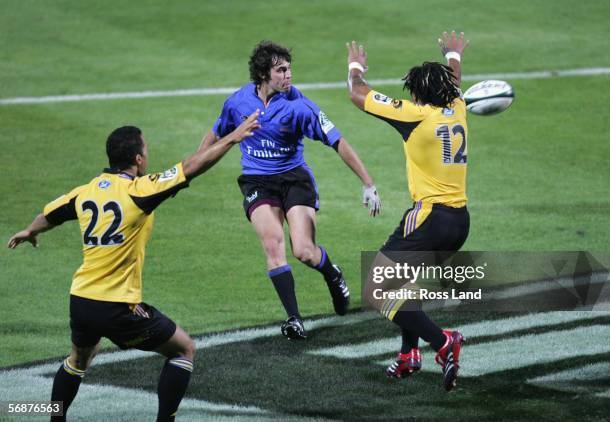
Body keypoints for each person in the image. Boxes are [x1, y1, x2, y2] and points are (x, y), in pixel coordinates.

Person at [7, 112, 260, 421]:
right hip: (117, 307)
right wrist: (232, 138)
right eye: (147, 151)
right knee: (183, 349)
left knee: (79, 359)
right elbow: (191, 168)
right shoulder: (140, 192)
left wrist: (30, 231)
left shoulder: (86, 190)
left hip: (82, 299)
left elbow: (51, 213)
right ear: (138, 159)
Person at [199, 41, 381, 340]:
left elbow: (338, 141)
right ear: (263, 74)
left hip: (294, 179)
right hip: (257, 182)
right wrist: (190, 168)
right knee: (273, 245)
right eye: (280, 70)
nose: (288, 75)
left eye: (288, 69)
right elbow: (216, 132)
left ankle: (331, 273)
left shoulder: (300, 107)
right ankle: (294, 318)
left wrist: (368, 183)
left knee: (304, 251)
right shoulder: (238, 103)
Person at [346, 31, 470, 391]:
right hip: (459, 222)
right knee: (404, 281)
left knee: (377, 287)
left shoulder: (416, 116)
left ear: (418, 96)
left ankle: (444, 342)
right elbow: (453, 80)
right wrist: (453, 56)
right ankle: (408, 353)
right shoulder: (457, 106)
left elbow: (358, 93)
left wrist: (356, 67)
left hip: (430, 218)